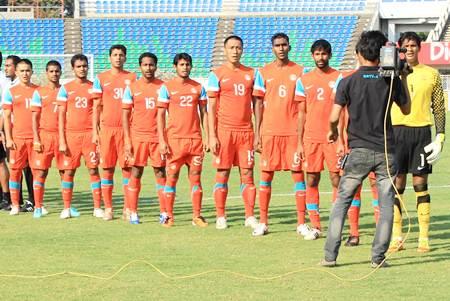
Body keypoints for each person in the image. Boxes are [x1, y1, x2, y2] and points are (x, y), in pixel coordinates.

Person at [321, 30, 411, 268]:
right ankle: (378, 258)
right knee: (385, 205)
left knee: (342, 201)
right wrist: (402, 77)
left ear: (359, 52)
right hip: (386, 151)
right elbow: (407, 110)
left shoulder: (347, 81)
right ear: (382, 53)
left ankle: (330, 256)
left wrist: (332, 131)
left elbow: (334, 117)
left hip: (358, 151)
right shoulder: (390, 80)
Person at [389, 32, 446, 253]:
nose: (409, 49)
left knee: (420, 185)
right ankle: (397, 236)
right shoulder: (391, 73)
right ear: (399, 49)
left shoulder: (432, 74)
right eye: (405, 46)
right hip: (396, 132)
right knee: (397, 185)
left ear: (419, 48)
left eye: (413, 45)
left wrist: (440, 136)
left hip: (421, 133)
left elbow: (439, 107)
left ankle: (423, 237)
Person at [252, 32, 310, 237]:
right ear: (272, 48)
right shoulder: (263, 72)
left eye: (284, 45)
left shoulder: (300, 71)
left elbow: (304, 106)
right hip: (269, 131)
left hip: (292, 132)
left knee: (297, 175)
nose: (281, 48)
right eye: (277, 45)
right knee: (266, 175)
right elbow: (257, 103)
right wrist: (258, 132)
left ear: (289, 47)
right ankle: (263, 221)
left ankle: (301, 222)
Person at [207, 35, 257, 230]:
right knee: (222, 174)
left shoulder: (251, 73)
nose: (235, 51)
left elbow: (257, 104)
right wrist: (212, 135)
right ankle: (221, 215)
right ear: (225, 50)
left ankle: (250, 215)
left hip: (246, 132)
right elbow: (211, 107)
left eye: (238, 47)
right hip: (224, 132)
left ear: (242, 50)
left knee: (247, 174)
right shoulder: (216, 74)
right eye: (231, 48)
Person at [295, 39, 343, 239]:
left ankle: (335, 222)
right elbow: (301, 114)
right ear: (312, 55)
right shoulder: (303, 80)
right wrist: (299, 142)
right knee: (312, 178)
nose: (320, 57)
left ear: (330, 55)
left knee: (336, 179)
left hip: (332, 138)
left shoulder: (339, 78)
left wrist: (341, 140)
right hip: (311, 138)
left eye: (324, 54)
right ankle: (315, 225)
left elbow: (343, 112)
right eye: (317, 54)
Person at [157, 53, 209, 227]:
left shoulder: (198, 87)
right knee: (171, 178)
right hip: (174, 141)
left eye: (187, 64)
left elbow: (204, 113)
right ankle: (169, 216)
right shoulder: (167, 87)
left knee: (195, 178)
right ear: (175, 67)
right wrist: (162, 141)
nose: (185, 67)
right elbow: (160, 116)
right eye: (181, 64)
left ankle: (197, 216)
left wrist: (207, 137)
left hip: (195, 140)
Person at [93, 45, 137, 221]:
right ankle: (109, 208)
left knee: (127, 169)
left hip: (126, 130)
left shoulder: (132, 77)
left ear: (125, 58)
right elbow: (96, 106)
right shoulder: (101, 78)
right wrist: (95, 131)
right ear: (109, 57)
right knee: (107, 169)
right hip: (107, 130)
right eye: (115, 55)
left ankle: (127, 207)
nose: (118, 58)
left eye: (121, 55)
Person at [56, 54, 103, 219]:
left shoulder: (94, 87)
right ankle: (66, 208)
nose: (82, 69)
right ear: (73, 68)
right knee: (68, 171)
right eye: (79, 66)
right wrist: (62, 139)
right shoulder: (65, 88)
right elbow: (61, 115)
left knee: (93, 169)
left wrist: (97, 133)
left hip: (89, 134)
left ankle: (97, 207)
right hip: (71, 135)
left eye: (84, 66)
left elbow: (98, 111)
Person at [122, 52, 166, 224]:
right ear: (140, 67)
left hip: (157, 137)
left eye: (151, 65)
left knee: (160, 171)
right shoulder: (132, 87)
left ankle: (164, 212)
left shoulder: (163, 87)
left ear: (156, 66)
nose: (149, 68)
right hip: (138, 137)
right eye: (145, 65)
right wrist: (127, 140)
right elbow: (125, 115)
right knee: (136, 171)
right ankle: (133, 212)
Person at [2, 58, 39, 215]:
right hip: (17, 138)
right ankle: (16, 204)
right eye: (22, 71)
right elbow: (6, 116)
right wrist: (8, 138)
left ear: (32, 71)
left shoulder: (38, 91)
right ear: (16, 72)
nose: (25, 73)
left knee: (37, 171)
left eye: (27, 70)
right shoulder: (10, 92)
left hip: (35, 138)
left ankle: (38, 204)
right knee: (16, 171)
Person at [29, 60, 62, 218]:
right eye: (51, 71)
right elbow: (34, 118)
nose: (54, 74)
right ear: (46, 73)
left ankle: (67, 207)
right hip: (45, 136)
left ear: (61, 72)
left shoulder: (65, 91)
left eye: (57, 71)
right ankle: (38, 206)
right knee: (41, 172)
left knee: (66, 171)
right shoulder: (39, 92)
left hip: (62, 136)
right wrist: (36, 138)